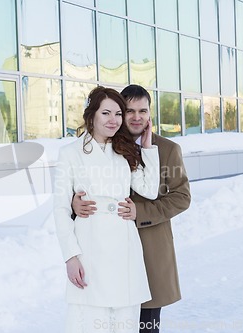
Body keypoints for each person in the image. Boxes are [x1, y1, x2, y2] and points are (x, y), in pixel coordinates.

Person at [72, 84, 191, 333]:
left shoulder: (168, 150)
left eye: (143, 111)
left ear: (150, 114)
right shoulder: (103, 146)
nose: (137, 117)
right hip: (106, 252)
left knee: (146, 327)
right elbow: (83, 187)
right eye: (129, 111)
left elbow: (181, 197)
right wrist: (75, 202)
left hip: (150, 251)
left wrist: (141, 212)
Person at [54, 86, 161, 333]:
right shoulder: (69, 153)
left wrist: (147, 146)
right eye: (106, 113)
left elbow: (150, 190)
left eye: (118, 114)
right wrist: (71, 257)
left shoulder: (125, 150)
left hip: (124, 244)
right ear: (91, 116)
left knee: (124, 319)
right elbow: (60, 208)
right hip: (89, 246)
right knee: (91, 319)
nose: (114, 120)